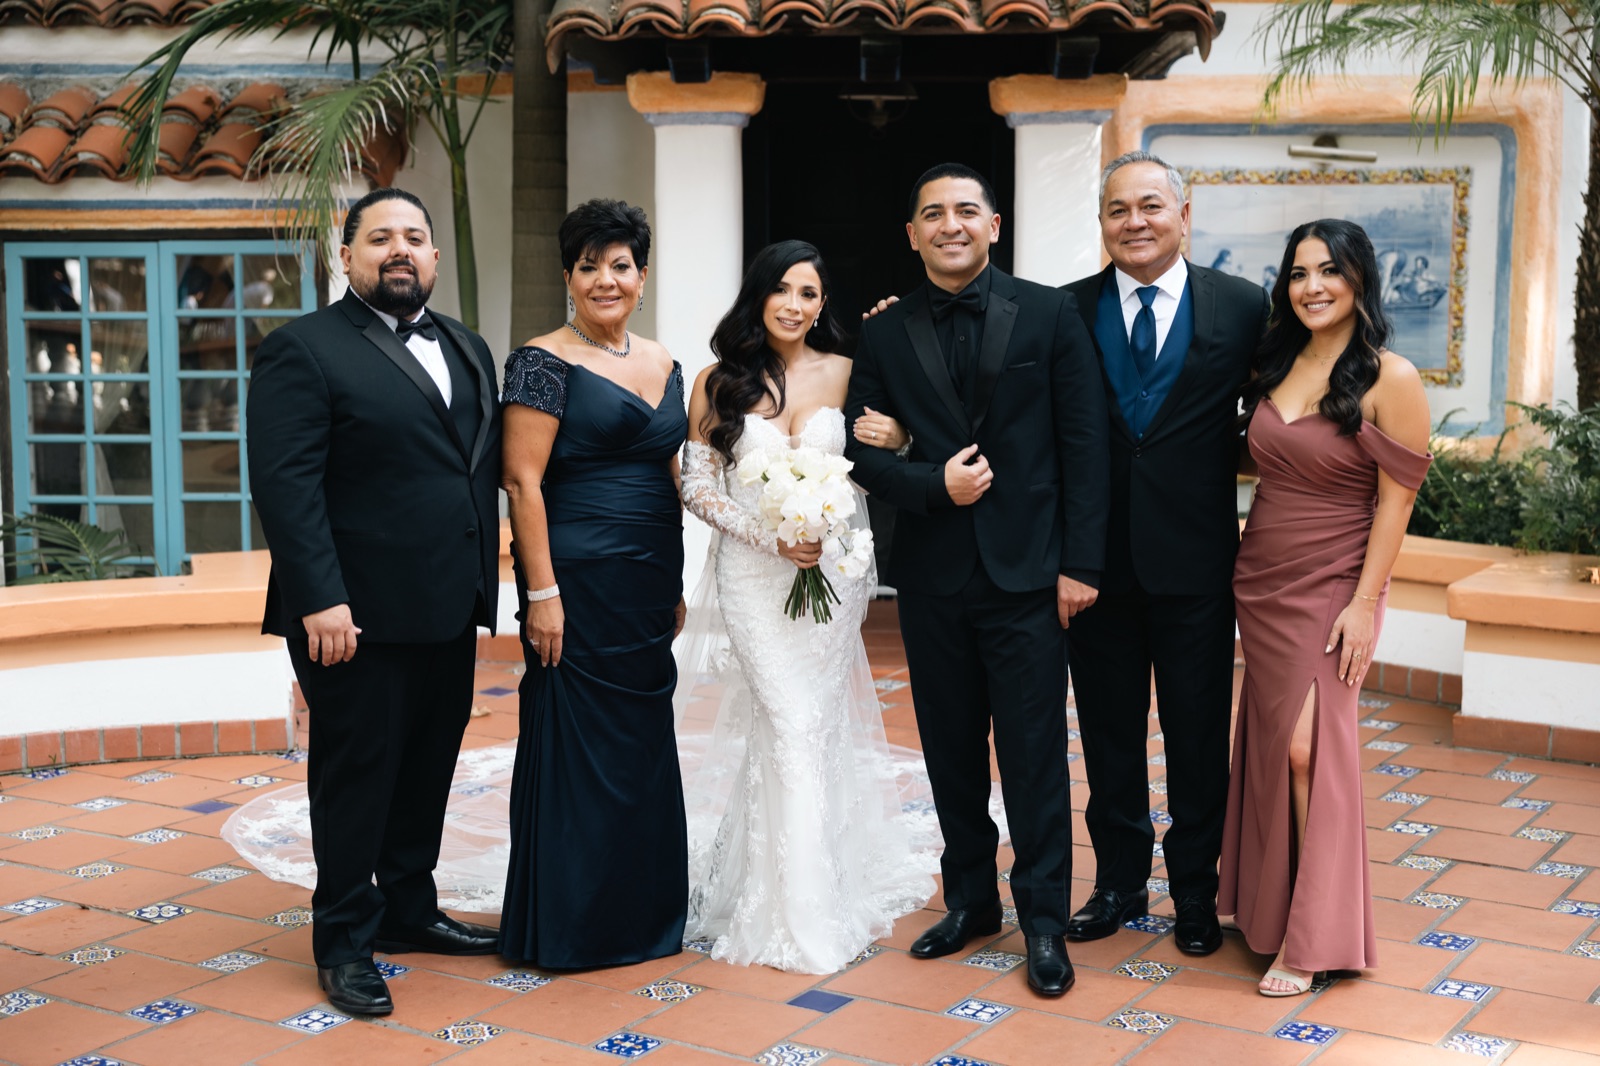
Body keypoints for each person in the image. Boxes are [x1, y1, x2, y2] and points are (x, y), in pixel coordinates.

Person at [844, 163, 1109, 997]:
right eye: (933, 214)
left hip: (1029, 574)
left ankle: (1041, 921)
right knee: (949, 752)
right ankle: (970, 902)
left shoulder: (1051, 312)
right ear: (912, 234)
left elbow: (1085, 446)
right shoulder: (883, 334)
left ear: (994, 224)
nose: (950, 224)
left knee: (1033, 756)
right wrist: (933, 483)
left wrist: (1081, 564)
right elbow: (859, 456)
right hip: (931, 576)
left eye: (966, 211)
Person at [247, 187, 503, 1016]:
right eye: (381, 237)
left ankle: (408, 910)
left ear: (433, 257)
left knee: (429, 765)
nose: (402, 249)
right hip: (350, 616)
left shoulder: (467, 346)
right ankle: (345, 941)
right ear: (347, 256)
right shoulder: (302, 349)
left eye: (416, 237)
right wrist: (320, 597)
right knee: (356, 775)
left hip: (446, 602)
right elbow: (287, 488)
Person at [677, 240, 936, 974]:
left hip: (833, 576)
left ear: (825, 306)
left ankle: (797, 880)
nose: (796, 305)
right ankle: (795, 912)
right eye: (783, 290)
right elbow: (696, 486)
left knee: (810, 727)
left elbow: (890, 448)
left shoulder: (851, 373)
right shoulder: (718, 382)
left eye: (811, 294)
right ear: (758, 295)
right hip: (755, 578)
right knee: (788, 721)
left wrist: (901, 433)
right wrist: (770, 533)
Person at [1061, 151, 1270, 955]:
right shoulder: (1065, 311)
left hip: (1197, 566)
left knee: (1194, 738)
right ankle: (1117, 883)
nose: (1135, 221)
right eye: (1119, 209)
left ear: (1185, 215)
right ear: (1103, 224)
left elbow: (1295, 393)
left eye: (1151, 205)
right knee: (1108, 736)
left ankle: (1192, 892)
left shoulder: (1244, 307)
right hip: (1096, 567)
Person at [1221, 219, 1431, 996]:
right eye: (1299, 272)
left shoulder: (1389, 377)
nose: (1311, 286)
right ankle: (1265, 907)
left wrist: (1365, 603)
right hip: (1263, 578)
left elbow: (1397, 500)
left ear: (1359, 281)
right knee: (1275, 745)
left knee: (1311, 751)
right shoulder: (1275, 360)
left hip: (1336, 582)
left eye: (1329, 272)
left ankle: (1311, 939)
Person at [497, 199, 690, 969]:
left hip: (647, 585)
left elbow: (674, 478)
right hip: (575, 581)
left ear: (642, 276)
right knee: (579, 745)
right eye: (589, 266)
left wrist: (677, 581)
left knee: (642, 744)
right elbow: (521, 479)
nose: (605, 280)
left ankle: (640, 912)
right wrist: (542, 595)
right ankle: (574, 923)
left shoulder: (667, 361)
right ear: (569, 277)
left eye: (620, 265)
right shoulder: (541, 361)